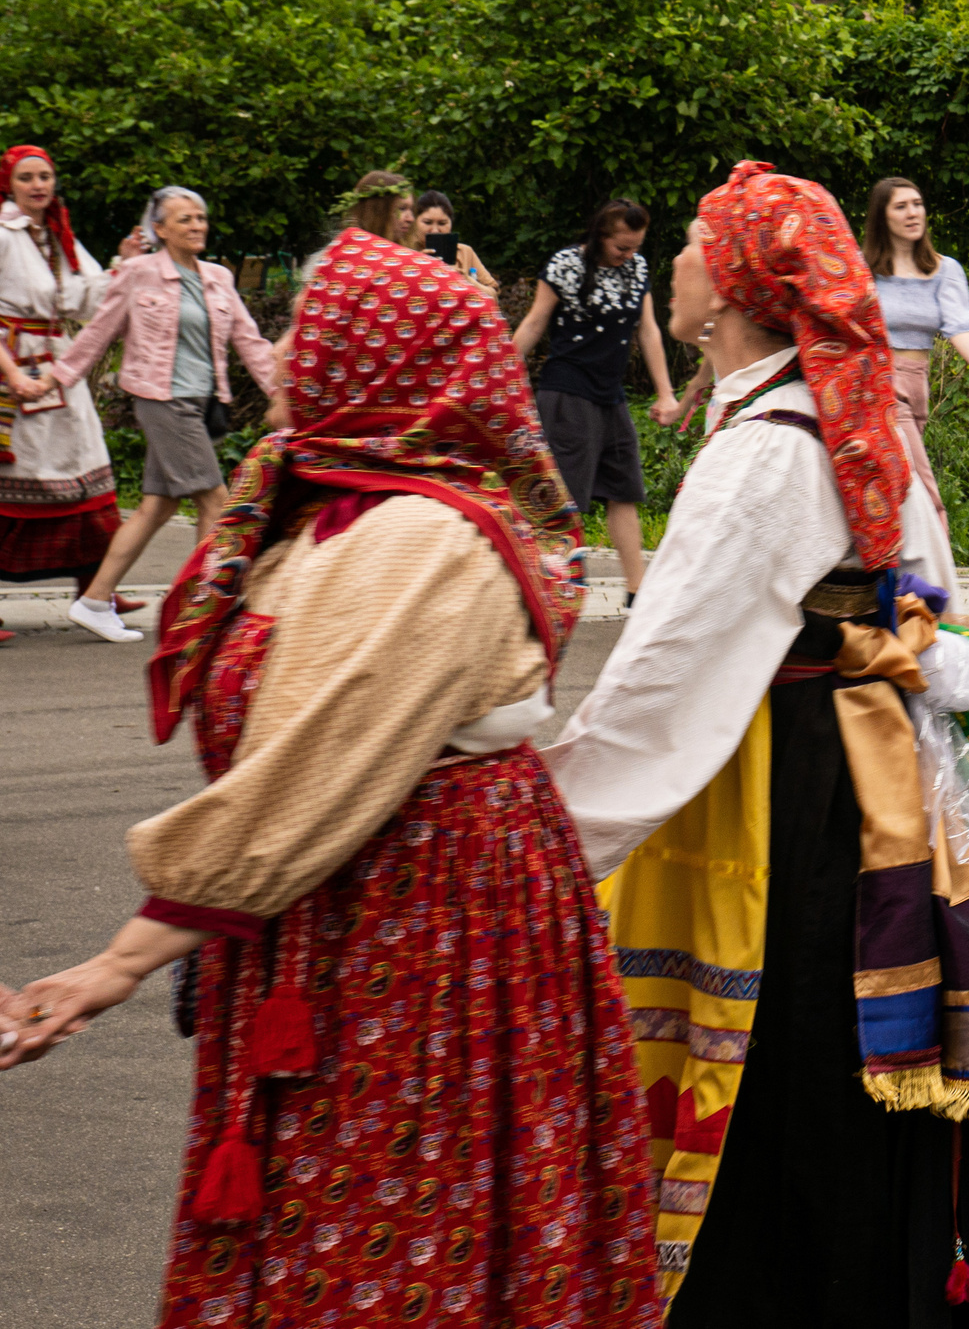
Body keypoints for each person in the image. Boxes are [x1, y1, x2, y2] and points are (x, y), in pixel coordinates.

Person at [0, 228, 658, 1324]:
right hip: (357, 908)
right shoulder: (342, 502)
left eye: (315, 329)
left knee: (397, 1216)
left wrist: (115, 964)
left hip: (419, 929)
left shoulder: (419, 536)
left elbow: (314, 767)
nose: (291, 348)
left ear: (376, 362)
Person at [543, 160, 969, 1323]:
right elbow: (934, 613)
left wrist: (534, 840)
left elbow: (659, 682)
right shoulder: (859, 417)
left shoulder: (767, 448)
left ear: (725, 289)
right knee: (855, 1078)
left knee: (784, 1076)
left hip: (786, 796)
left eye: (689, 243)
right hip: (875, 791)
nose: (671, 258)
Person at [49, 186, 278, 643]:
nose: (197, 226)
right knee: (215, 500)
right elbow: (99, 332)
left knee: (156, 506)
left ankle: (94, 601)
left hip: (199, 402)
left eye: (200, 218)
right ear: (160, 229)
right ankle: (202, 609)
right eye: (185, 219)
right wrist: (56, 378)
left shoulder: (218, 278)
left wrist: (284, 394)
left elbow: (250, 341)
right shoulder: (138, 273)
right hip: (162, 400)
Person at [513, 199, 679, 596]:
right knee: (564, 495)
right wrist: (498, 375)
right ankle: (555, 579)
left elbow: (649, 330)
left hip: (610, 396)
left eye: (635, 247)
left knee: (624, 490)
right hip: (567, 394)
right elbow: (535, 322)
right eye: (621, 247)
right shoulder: (565, 265)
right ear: (601, 236)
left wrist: (665, 392)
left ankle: (638, 590)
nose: (629, 255)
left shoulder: (636, 270)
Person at [0, 145, 122, 632]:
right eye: (27, 177)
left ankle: (97, 590)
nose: (38, 185)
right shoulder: (4, 234)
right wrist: (10, 374)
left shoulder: (57, 235)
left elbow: (81, 298)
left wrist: (124, 265)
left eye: (45, 176)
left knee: (86, 469)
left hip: (57, 369)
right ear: (9, 185)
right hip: (13, 365)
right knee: (9, 487)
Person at [863, 175, 969, 526]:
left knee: (897, 489)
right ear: (882, 217)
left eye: (917, 204)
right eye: (901, 206)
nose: (913, 213)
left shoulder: (944, 270)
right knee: (922, 489)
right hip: (878, 384)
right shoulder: (862, 271)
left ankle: (890, 574)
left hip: (916, 385)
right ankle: (938, 572)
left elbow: (959, 326)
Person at [414, 188, 498, 292]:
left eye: (442, 223)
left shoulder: (465, 252)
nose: (435, 230)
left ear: (451, 224)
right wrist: (419, 267)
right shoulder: (404, 253)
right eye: (427, 222)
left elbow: (493, 296)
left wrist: (467, 280)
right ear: (414, 223)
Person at [338, 168, 420, 246]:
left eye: (411, 209)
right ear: (377, 212)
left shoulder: (407, 255)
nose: (411, 219)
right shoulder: (346, 253)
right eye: (402, 209)